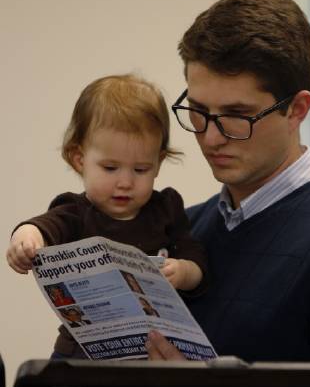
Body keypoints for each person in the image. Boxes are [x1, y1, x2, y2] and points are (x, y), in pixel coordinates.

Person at [146, 0, 310, 363]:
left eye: (237, 113)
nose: (210, 136)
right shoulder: (185, 229)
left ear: (297, 110)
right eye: (199, 110)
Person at [6, 74, 208, 358]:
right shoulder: (76, 212)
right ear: (79, 159)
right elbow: (44, 226)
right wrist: (25, 238)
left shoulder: (166, 208)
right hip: (81, 351)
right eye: (110, 168)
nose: (125, 182)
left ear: (158, 163)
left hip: (150, 352)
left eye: (140, 170)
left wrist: (185, 272)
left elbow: (195, 256)